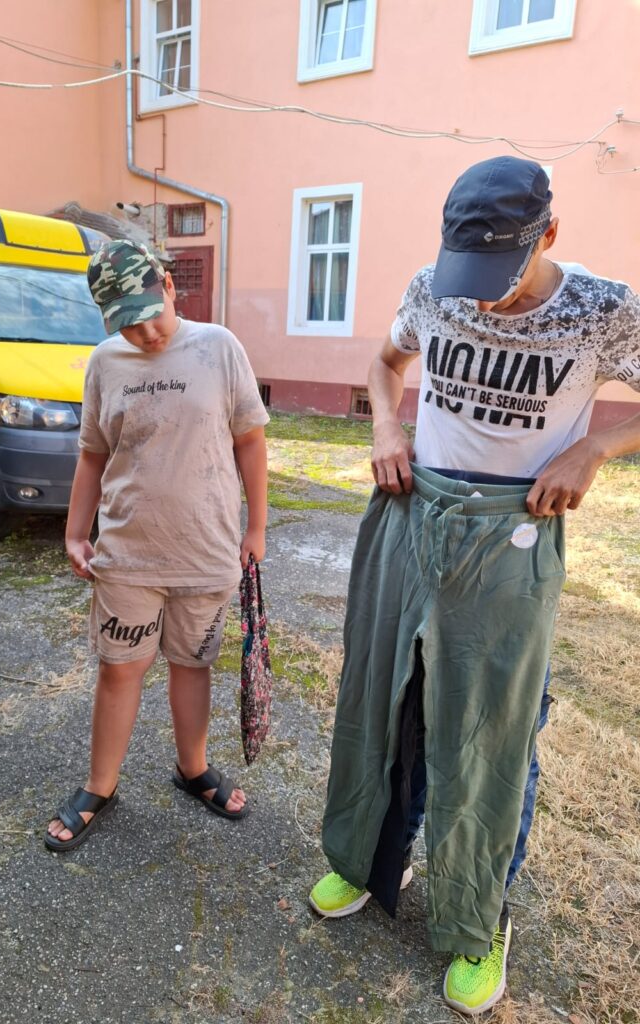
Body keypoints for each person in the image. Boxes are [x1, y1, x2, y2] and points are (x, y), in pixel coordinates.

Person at [308, 156, 640, 1015]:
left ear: (550, 234)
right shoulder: (434, 287)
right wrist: (386, 428)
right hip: (412, 508)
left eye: (501, 275)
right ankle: (368, 861)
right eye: (471, 274)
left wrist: (595, 447)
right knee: (386, 703)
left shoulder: (603, 310)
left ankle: (479, 917)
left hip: (512, 530)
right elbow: (385, 365)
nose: (482, 300)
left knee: (492, 734)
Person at [46, 240, 269, 852]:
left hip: (206, 551)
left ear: (169, 287)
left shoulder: (219, 347)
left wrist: (256, 527)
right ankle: (100, 786)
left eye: (150, 314)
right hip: (128, 555)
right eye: (127, 323)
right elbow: (92, 454)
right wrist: (75, 532)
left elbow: (250, 440)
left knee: (193, 665)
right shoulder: (104, 363)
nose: (144, 333)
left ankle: (192, 769)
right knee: (120, 670)